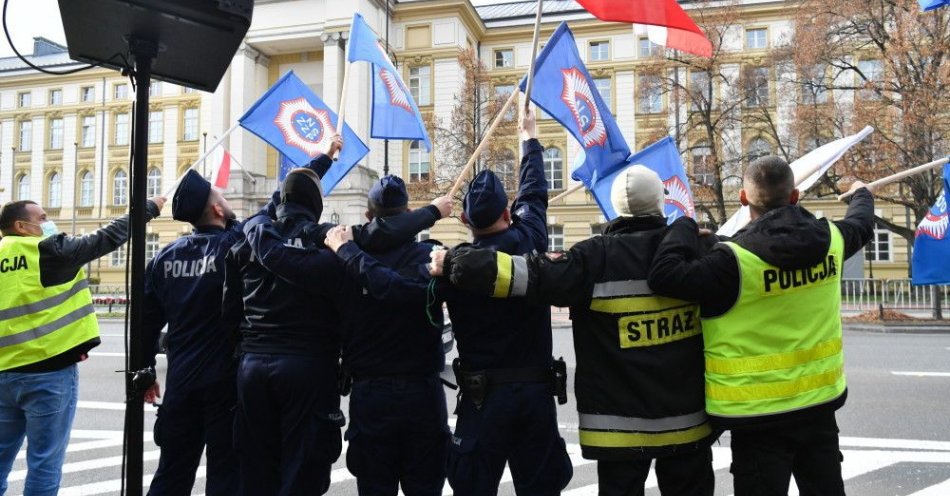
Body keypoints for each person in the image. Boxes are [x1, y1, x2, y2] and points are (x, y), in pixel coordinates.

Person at [432, 166, 716, 495]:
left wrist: (455, 261)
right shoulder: (694, 252)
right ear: (660, 203)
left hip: (619, 431)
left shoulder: (593, 257)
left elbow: (529, 276)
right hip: (688, 425)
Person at [647, 156, 874, 495]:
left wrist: (683, 226)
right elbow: (862, 222)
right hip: (817, 408)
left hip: (757, 418)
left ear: (742, 198)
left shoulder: (731, 259)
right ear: (795, 196)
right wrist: (861, 193)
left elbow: (664, 275)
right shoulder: (833, 241)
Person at [223, 157, 448, 496]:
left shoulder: (251, 237)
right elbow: (378, 243)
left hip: (254, 366)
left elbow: (228, 309)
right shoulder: (330, 243)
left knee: (256, 468)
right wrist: (431, 212)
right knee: (302, 471)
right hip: (309, 368)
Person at [434, 108, 572, 495]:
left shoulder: (451, 264)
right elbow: (534, 195)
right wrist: (529, 140)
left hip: (482, 402)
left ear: (464, 218)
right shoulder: (529, 241)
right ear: (508, 214)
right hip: (533, 398)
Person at [0, 195, 165, 496]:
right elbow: (105, 238)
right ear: (21, 226)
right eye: (43, 218)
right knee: (44, 465)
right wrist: (147, 209)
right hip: (48, 375)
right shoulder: (45, 250)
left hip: (4, 375)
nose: (49, 223)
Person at [139, 165, 283, 495]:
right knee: (227, 474)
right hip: (225, 383)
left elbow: (146, 325)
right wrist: (324, 158)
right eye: (222, 196)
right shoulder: (233, 244)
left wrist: (146, 371)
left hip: (181, 382)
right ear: (217, 208)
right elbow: (275, 204)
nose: (227, 198)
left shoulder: (163, 258)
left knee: (171, 474)